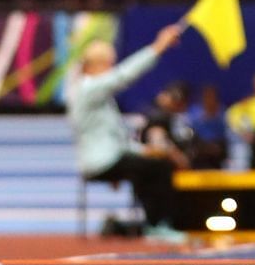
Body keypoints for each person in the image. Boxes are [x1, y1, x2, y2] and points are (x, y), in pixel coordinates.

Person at [70, 24, 186, 238]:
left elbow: (114, 140)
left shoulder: (99, 98)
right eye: (107, 65)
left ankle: (152, 224)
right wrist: (158, 46)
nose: (110, 70)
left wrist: (143, 151)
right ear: (94, 65)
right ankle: (158, 224)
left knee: (149, 164)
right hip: (101, 162)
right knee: (159, 168)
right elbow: (123, 76)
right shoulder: (88, 88)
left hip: (110, 157)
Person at [139, 80, 197, 170]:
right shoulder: (157, 116)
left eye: (180, 101)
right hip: (157, 172)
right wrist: (179, 158)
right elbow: (158, 143)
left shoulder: (183, 119)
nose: (175, 104)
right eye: (173, 99)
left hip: (179, 172)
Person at [186, 83, 231, 169]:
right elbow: (190, 134)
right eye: (207, 97)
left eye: (212, 97)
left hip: (220, 149)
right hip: (199, 148)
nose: (209, 100)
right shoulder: (194, 114)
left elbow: (227, 135)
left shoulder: (223, 114)